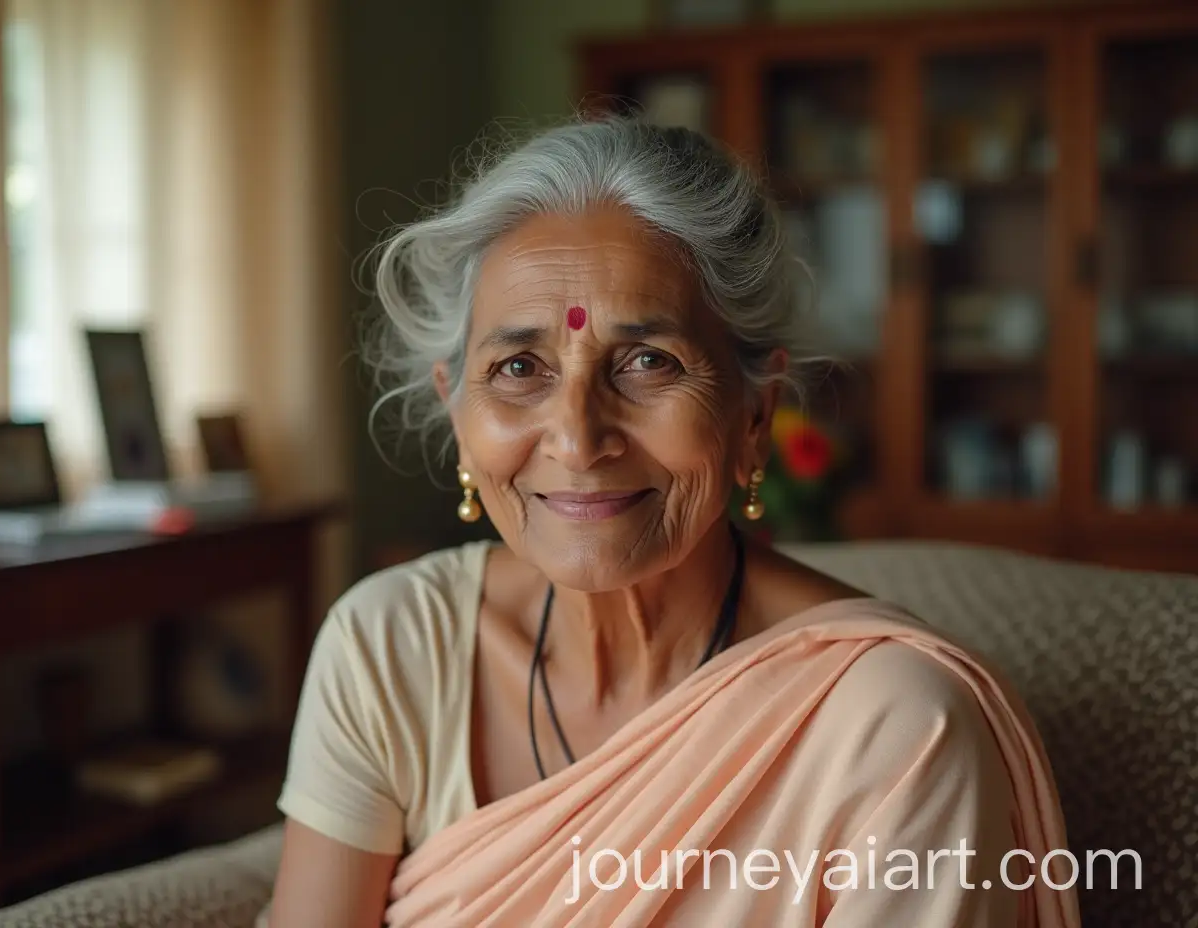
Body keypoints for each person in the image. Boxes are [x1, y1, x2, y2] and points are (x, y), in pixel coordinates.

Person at [267, 117, 1079, 927]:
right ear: (455, 408)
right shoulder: (390, 650)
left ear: (753, 416)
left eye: (648, 363)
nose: (580, 440)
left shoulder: (895, 726)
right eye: (519, 368)